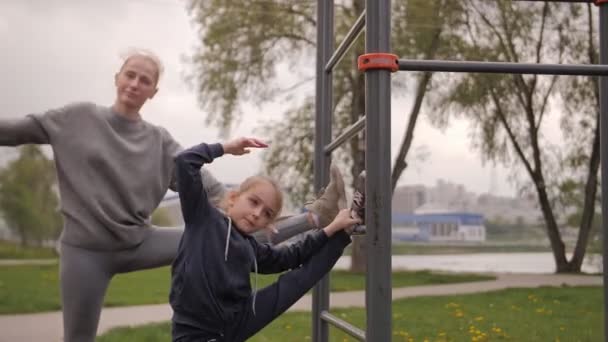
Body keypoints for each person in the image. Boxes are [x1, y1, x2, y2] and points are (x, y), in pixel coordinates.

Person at [0, 49, 343, 342]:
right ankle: (315, 219)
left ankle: (315, 217)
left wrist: (246, 210)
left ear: (154, 91)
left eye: (144, 80)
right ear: (117, 77)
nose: (135, 84)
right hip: (85, 252)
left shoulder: (160, 143)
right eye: (130, 75)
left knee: (228, 234)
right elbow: (13, 131)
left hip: (138, 240)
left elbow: (217, 193)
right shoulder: (74, 118)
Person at [170, 137, 365, 342]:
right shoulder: (203, 217)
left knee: (297, 282)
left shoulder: (251, 247)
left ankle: (347, 226)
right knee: (293, 282)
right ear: (234, 198)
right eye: (253, 202)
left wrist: (331, 228)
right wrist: (225, 148)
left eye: (266, 214)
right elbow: (185, 161)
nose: (257, 214)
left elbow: (293, 255)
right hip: (195, 331)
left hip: (237, 320)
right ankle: (341, 223)